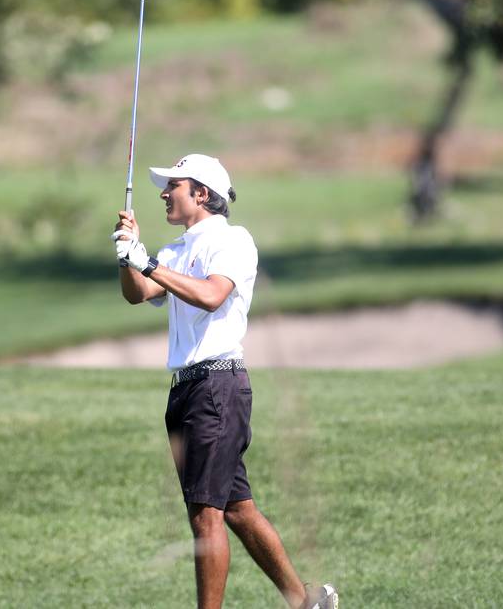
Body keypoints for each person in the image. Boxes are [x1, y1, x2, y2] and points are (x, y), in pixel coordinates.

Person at [113, 154, 338, 609]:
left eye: (173, 185)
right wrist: (128, 256)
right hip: (188, 393)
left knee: (205, 517)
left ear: (201, 193)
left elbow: (214, 295)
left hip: (217, 388)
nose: (163, 193)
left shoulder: (233, 241)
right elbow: (138, 294)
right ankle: (306, 602)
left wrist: (147, 263)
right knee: (236, 508)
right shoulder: (176, 251)